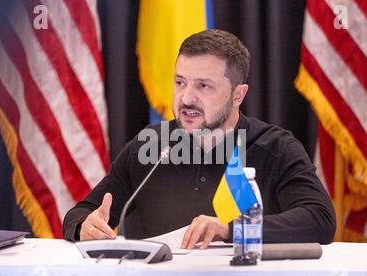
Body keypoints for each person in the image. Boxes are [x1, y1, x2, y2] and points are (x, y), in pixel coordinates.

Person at [63, 29, 335, 248]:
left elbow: (320, 219)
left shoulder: (275, 147)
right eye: (180, 82)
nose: (187, 98)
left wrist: (231, 229)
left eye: (203, 86)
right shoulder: (150, 145)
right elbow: (80, 213)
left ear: (238, 95)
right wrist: (84, 225)